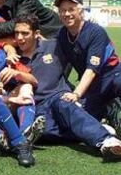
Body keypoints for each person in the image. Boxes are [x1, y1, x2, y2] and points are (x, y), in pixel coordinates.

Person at [13, 13, 121, 159]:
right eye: (17, 33)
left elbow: (81, 46)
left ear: (36, 34)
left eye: (25, 33)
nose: (20, 38)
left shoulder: (54, 46)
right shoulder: (13, 60)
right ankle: (96, 125)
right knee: (42, 131)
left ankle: (106, 141)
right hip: (38, 107)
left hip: (59, 97)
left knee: (65, 104)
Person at [55, 0, 121, 121]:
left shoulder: (95, 32)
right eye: (63, 10)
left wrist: (76, 94)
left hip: (112, 75)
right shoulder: (62, 34)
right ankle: (110, 110)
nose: (66, 14)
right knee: (82, 116)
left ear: (81, 12)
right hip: (94, 85)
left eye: (71, 9)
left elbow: (91, 70)